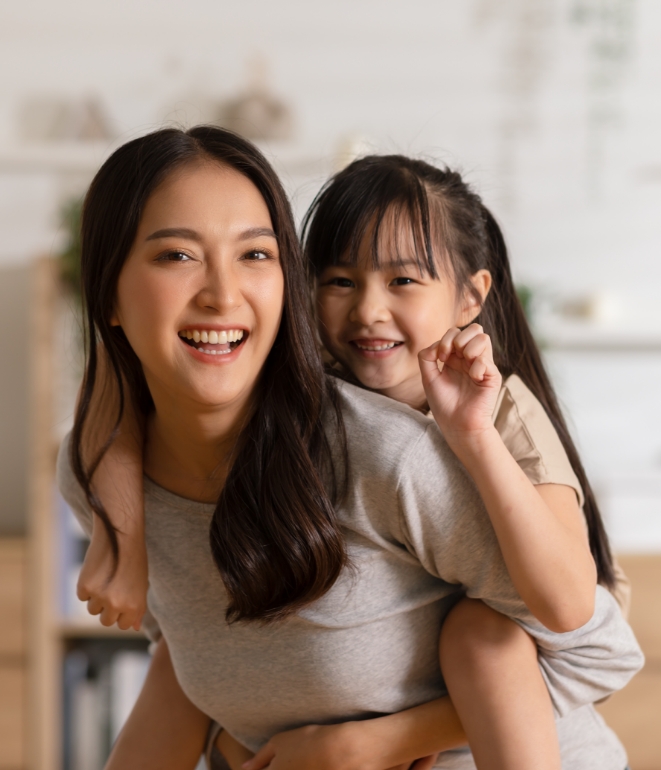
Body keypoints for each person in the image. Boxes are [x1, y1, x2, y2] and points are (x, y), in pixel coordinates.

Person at [57, 127, 642, 770]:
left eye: (254, 255)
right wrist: (121, 533)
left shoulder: (411, 445)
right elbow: (190, 656)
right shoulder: (109, 465)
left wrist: (362, 745)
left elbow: (590, 637)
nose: (223, 294)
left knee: (484, 636)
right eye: (176, 255)